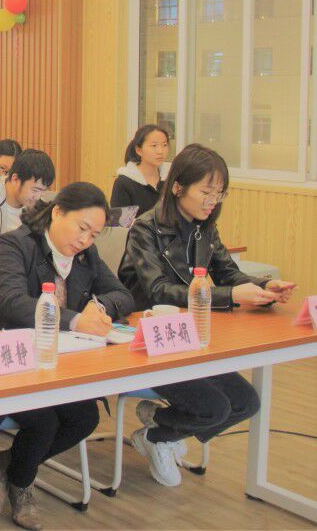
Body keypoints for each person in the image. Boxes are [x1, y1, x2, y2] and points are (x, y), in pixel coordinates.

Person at [118, 143, 292, 487]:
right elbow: (158, 290)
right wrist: (231, 296)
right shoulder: (145, 228)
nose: (213, 201)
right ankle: (160, 435)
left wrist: (263, 287)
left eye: (220, 193)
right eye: (206, 192)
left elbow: (229, 273)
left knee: (246, 403)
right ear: (178, 187)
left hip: (189, 338)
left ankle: (159, 429)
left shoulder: (205, 227)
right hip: (147, 342)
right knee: (215, 408)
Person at [0, 182, 129, 529]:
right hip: (7, 360)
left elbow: (122, 294)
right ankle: (22, 484)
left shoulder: (85, 255)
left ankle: (9, 466)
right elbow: (12, 303)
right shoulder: (16, 244)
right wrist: (76, 320)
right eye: (82, 228)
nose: (85, 240)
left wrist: (99, 307)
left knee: (85, 417)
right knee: (44, 420)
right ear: (57, 212)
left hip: (56, 364)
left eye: (94, 235)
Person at [111, 124, 170, 216]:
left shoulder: (172, 178)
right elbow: (120, 222)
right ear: (139, 150)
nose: (160, 151)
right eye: (154, 145)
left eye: (164, 145)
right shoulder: (124, 182)